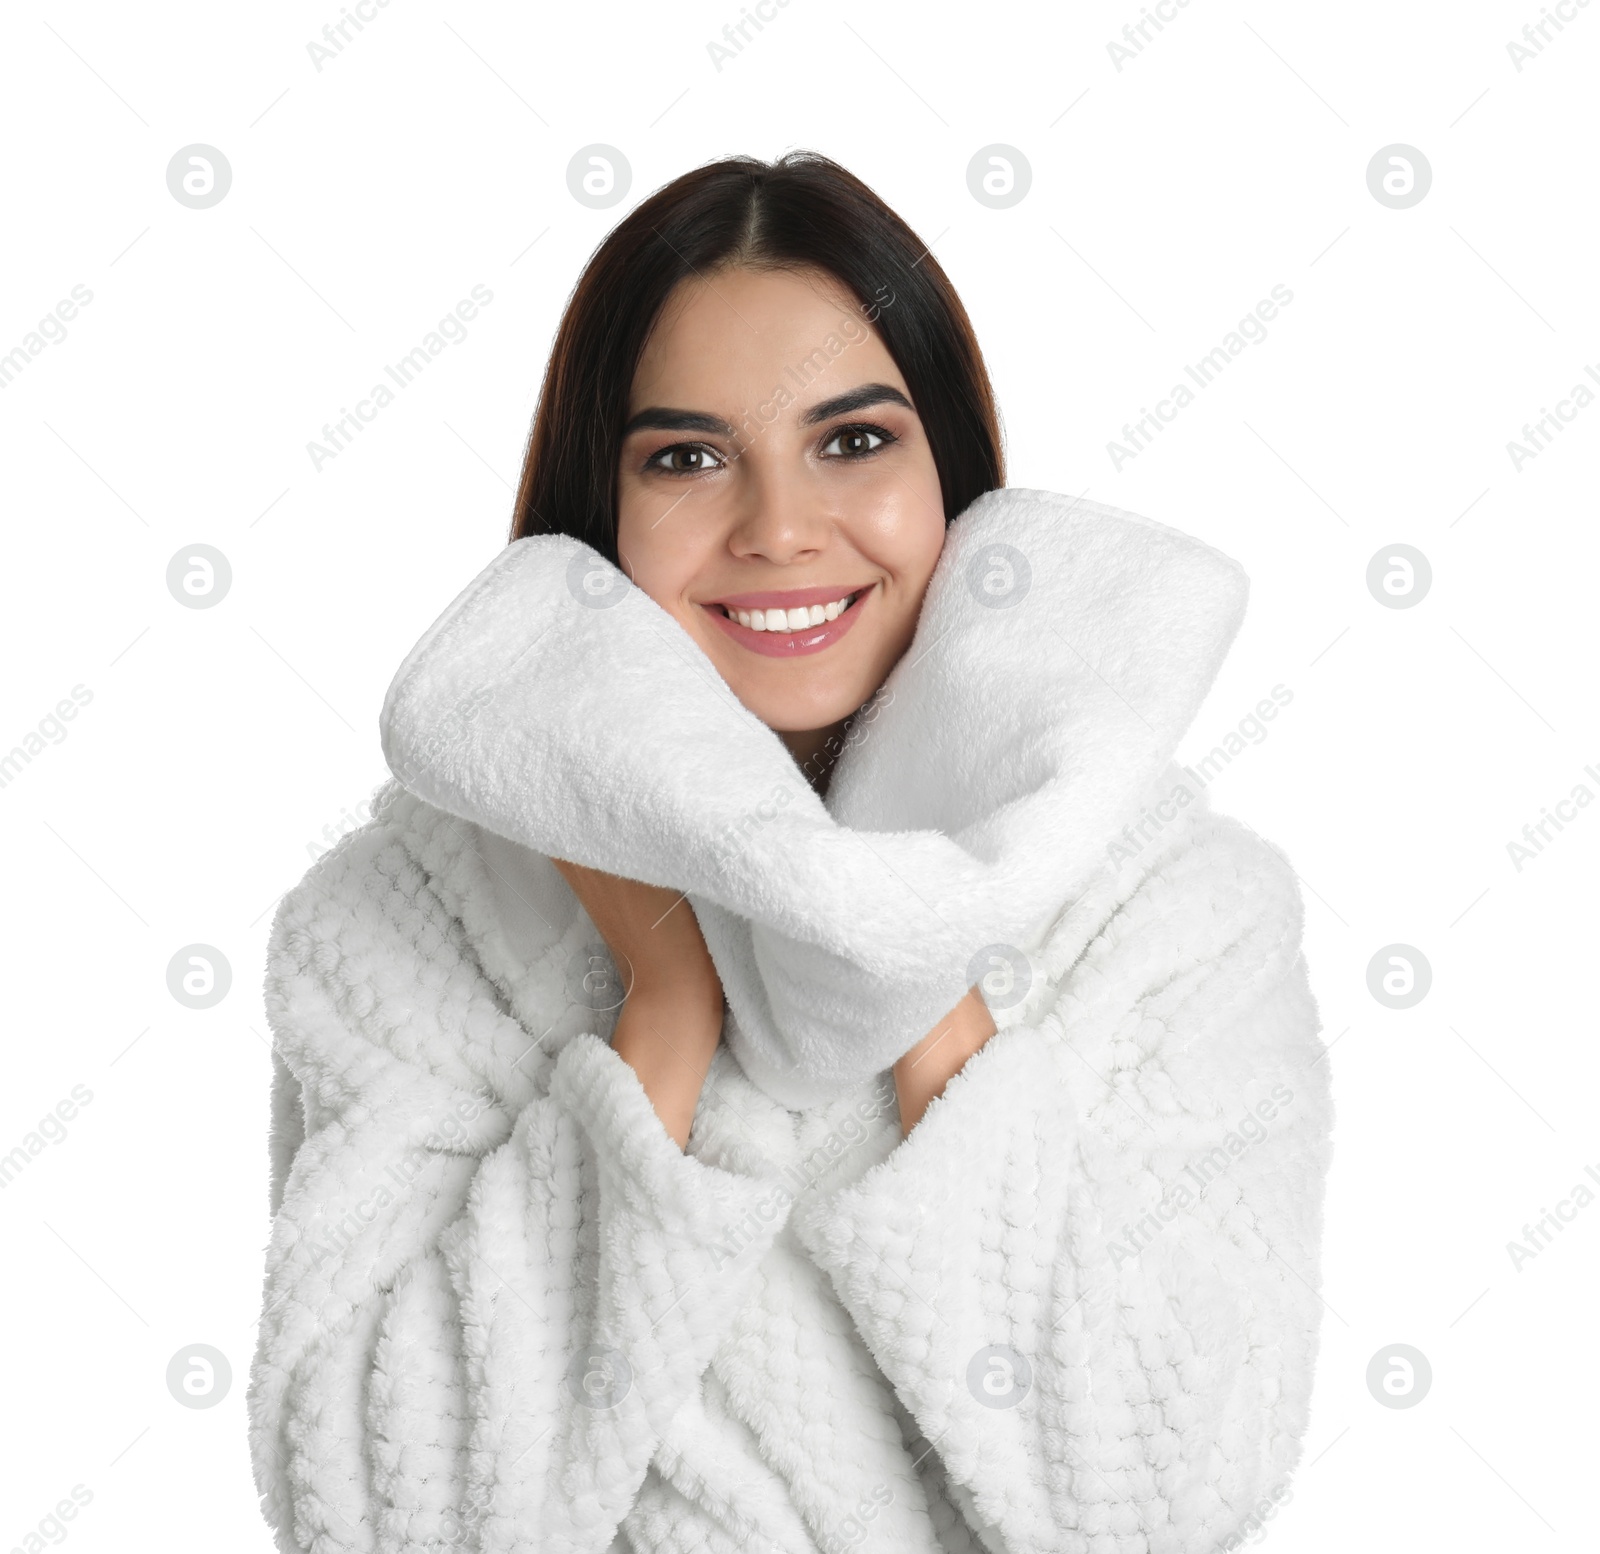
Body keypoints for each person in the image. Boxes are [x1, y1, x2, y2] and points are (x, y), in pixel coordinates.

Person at [250, 151, 1332, 1554]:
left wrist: (914, 915)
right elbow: (381, 1515)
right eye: (688, 458)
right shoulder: (403, 924)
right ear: (599, 511)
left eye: (855, 440)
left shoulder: (1172, 911)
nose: (777, 529)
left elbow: (1172, 1492)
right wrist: (666, 1005)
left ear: (957, 480)